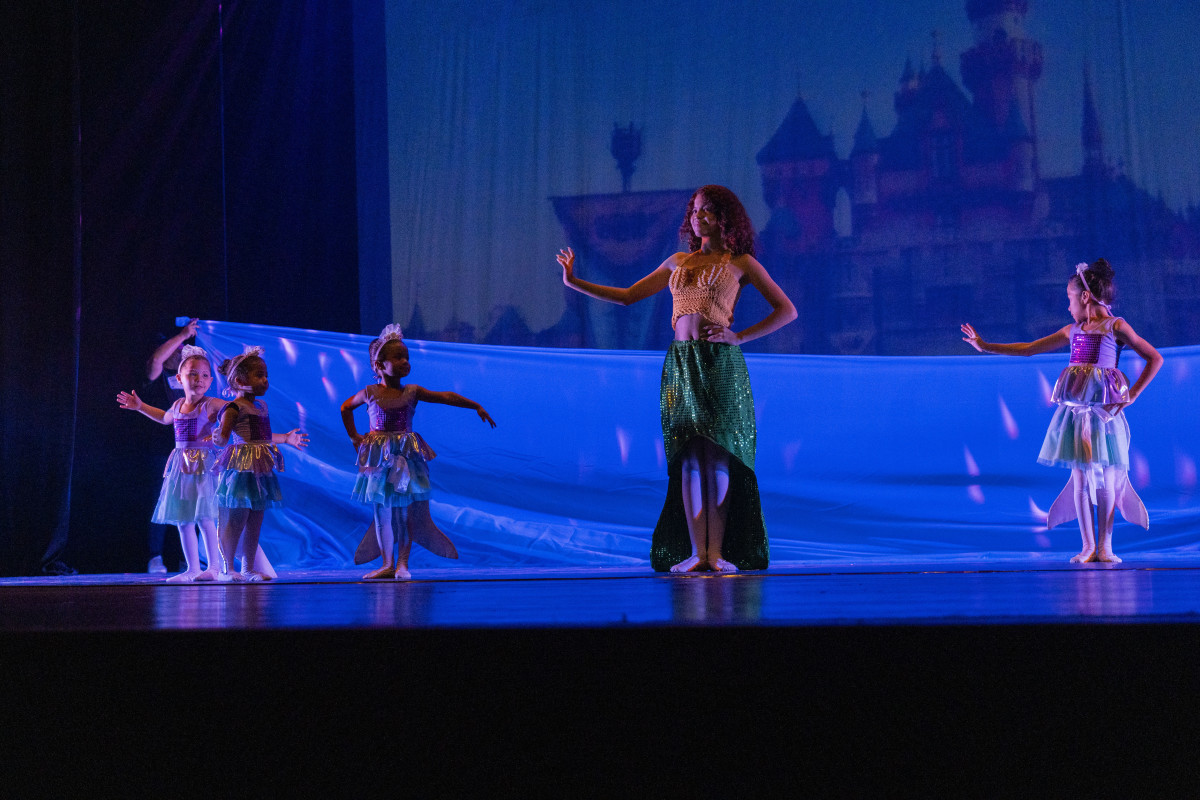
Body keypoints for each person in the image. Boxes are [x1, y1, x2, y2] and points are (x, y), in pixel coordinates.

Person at [558, 185, 796, 572]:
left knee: (716, 455)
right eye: (695, 210)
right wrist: (574, 281)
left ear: (725, 218)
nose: (698, 217)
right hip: (681, 365)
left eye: (708, 210)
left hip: (719, 364)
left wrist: (738, 336)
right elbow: (628, 296)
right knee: (688, 458)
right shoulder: (677, 262)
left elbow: (787, 310)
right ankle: (697, 554)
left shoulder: (741, 262)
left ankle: (716, 554)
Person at [962, 258, 1163, 563]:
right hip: (1076, 417)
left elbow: (1154, 358)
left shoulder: (1116, 327)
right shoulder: (1072, 331)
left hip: (1104, 417)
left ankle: (1106, 546)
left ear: (1085, 297)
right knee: (1080, 478)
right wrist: (986, 345)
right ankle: (1088, 546)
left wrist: (1132, 394)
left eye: (1070, 298)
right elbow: (1029, 348)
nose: (1068, 307)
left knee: (1106, 478)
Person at [341, 324, 496, 580]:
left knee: (404, 513)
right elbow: (345, 408)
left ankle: (402, 564)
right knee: (381, 513)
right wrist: (354, 437)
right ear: (379, 365)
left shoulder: (412, 391)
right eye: (398, 358)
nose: (405, 362)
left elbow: (445, 396)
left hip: (404, 457)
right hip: (380, 460)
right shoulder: (369, 393)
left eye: (406, 357)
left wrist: (475, 405)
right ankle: (387, 563)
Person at [117, 346, 225, 581]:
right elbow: (164, 418)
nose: (199, 379)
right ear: (179, 378)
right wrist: (140, 406)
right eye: (193, 374)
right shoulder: (177, 406)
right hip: (181, 467)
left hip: (203, 467)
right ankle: (192, 569)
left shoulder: (211, 404)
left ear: (210, 380)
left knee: (205, 518)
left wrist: (224, 429)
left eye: (205, 375)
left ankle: (214, 568)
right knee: (183, 520)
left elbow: (232, 411)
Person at [213, 346, 308, 581]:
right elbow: (224, 437)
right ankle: (227, 568)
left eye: (266, 375)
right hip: (242, 469)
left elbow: (263, 436)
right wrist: (217, 438)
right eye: (259, 375)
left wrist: (286, 438)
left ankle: (248, 568)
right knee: (237, 519)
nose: (265, 380)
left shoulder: (261, 406)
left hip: (260, 469)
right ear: (239, 381)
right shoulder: (233, 408)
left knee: (256, 520)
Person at [140, 317, 199, 573]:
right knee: (160, 499)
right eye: (175, 350)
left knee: (193, 500)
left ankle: (191, 558)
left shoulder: (187, 381)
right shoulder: (156, 375)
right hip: (161, 450)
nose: (179, 354)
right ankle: (155, 556)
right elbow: (155, 360)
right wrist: (183, 335)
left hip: (190, 449)